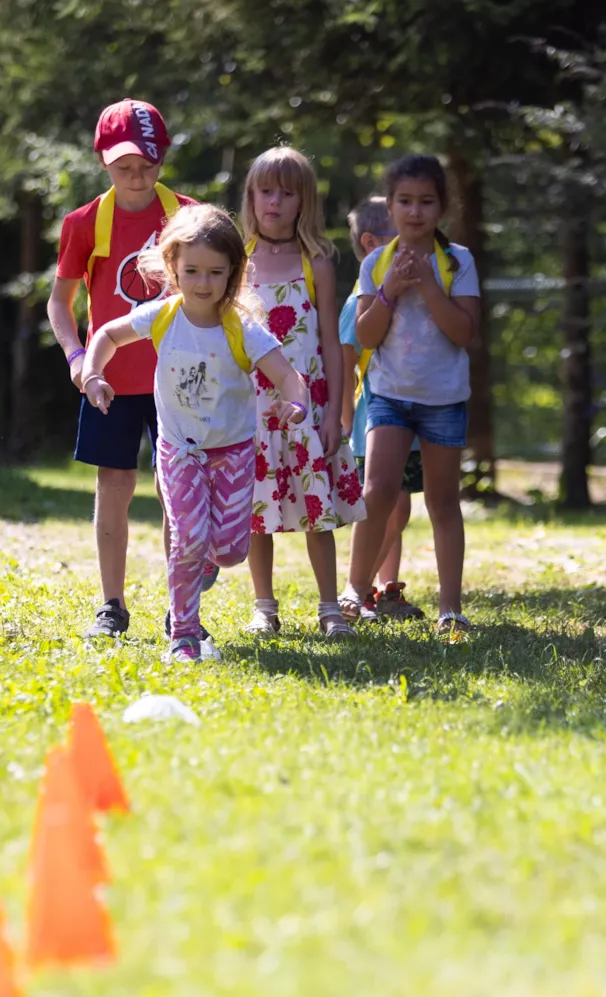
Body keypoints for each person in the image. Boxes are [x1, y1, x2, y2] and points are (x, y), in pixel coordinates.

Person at [80, 205, 310, 663]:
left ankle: (205, 557)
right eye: (192, 271)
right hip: (178, 451)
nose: (203, 283)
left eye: (215, 273)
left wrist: (296, 405)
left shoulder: (241, 329)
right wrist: (92, 374)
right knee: (187, 539)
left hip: (234, 452)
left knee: (229, 552)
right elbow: (106, 335)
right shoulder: (163, 316)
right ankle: (183, 636)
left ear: (233, 272)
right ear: (173, 268)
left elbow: (289, 376)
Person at [47, 99, 219, 642]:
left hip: (181, 380)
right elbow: (60, 303)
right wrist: (78, 358)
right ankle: (111, 605)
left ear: (163, 158)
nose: (137, 177)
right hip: (111, 381)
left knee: (179, 493)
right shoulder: (83, 223)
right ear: (103, 161)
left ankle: (181, 608)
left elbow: (219, 289)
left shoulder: (190, 217)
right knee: (115, 483)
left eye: (148, 164)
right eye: (124, 166)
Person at [340, 155, 480, 635]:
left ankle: (450, 609)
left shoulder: (459, 261)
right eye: (405, 201)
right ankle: (353, 594)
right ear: (391, 207)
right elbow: (366, 335)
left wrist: (429, 286)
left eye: (426, 202)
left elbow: (464, 332)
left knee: (442, 501)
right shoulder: (376, 264)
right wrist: (390, 289)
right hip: (389, 397)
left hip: (444, 399)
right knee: (377, 492)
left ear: (442, 207)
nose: (415, 211)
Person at [242, 147, 366, 639]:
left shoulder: (317, 261)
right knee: (256, 513)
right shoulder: (236, 260)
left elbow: (332, 342)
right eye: (265, 191)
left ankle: (330, 607)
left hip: (308, 409)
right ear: (251, 196)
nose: (274, 202)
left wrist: (337, 412)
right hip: (253, 409)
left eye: (287, 193)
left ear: (304, 201)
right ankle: (264, 607)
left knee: (318, 510)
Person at [340, 196, 424, 622]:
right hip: (369, 423)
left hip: (410, 417)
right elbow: (346, 361)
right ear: (373, 244)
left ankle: (386, 589)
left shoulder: (409, 296)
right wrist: (342, 420)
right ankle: (357, 591)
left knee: (398, 508)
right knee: (387, 506)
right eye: (400, 235)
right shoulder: (359, 300)